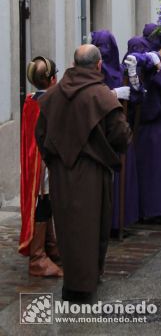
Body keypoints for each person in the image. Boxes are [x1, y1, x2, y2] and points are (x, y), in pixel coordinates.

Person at [35, 44, 132, 303]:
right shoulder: (102, 96)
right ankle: (87, 284)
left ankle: (73, 284)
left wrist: (54, 161)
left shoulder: (53, 95)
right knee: (92, 227)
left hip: (61, 174)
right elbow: (121, 134)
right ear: (98, 65)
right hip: (92, 172)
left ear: (75, 64)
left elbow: (41, 134)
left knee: (68, 227)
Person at [125, 37, 161, 221]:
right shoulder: (127, 67)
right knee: (140, 172)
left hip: (155, 127)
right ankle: (140, 209)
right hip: (136, 127)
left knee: (157, 171)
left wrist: (158, 67)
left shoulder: (156, 69)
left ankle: (158, 210)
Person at [19, 56, 63, 278]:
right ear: (53, 79)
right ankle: (37, 257)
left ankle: (49, 244)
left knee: (46, 201)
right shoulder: (49, 102)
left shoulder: (30, 100)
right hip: (43, 163)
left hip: (35, 161)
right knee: (44, 202)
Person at [91, 29, 139, 231]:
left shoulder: (119, 71)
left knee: (121, 179)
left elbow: (136, 97)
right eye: (100, 47)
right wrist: (112, 94)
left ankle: (119, 221)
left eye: (106, 47)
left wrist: (134, 80)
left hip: (118, 129)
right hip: (99, 134)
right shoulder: (91, 73)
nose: (104, 51)